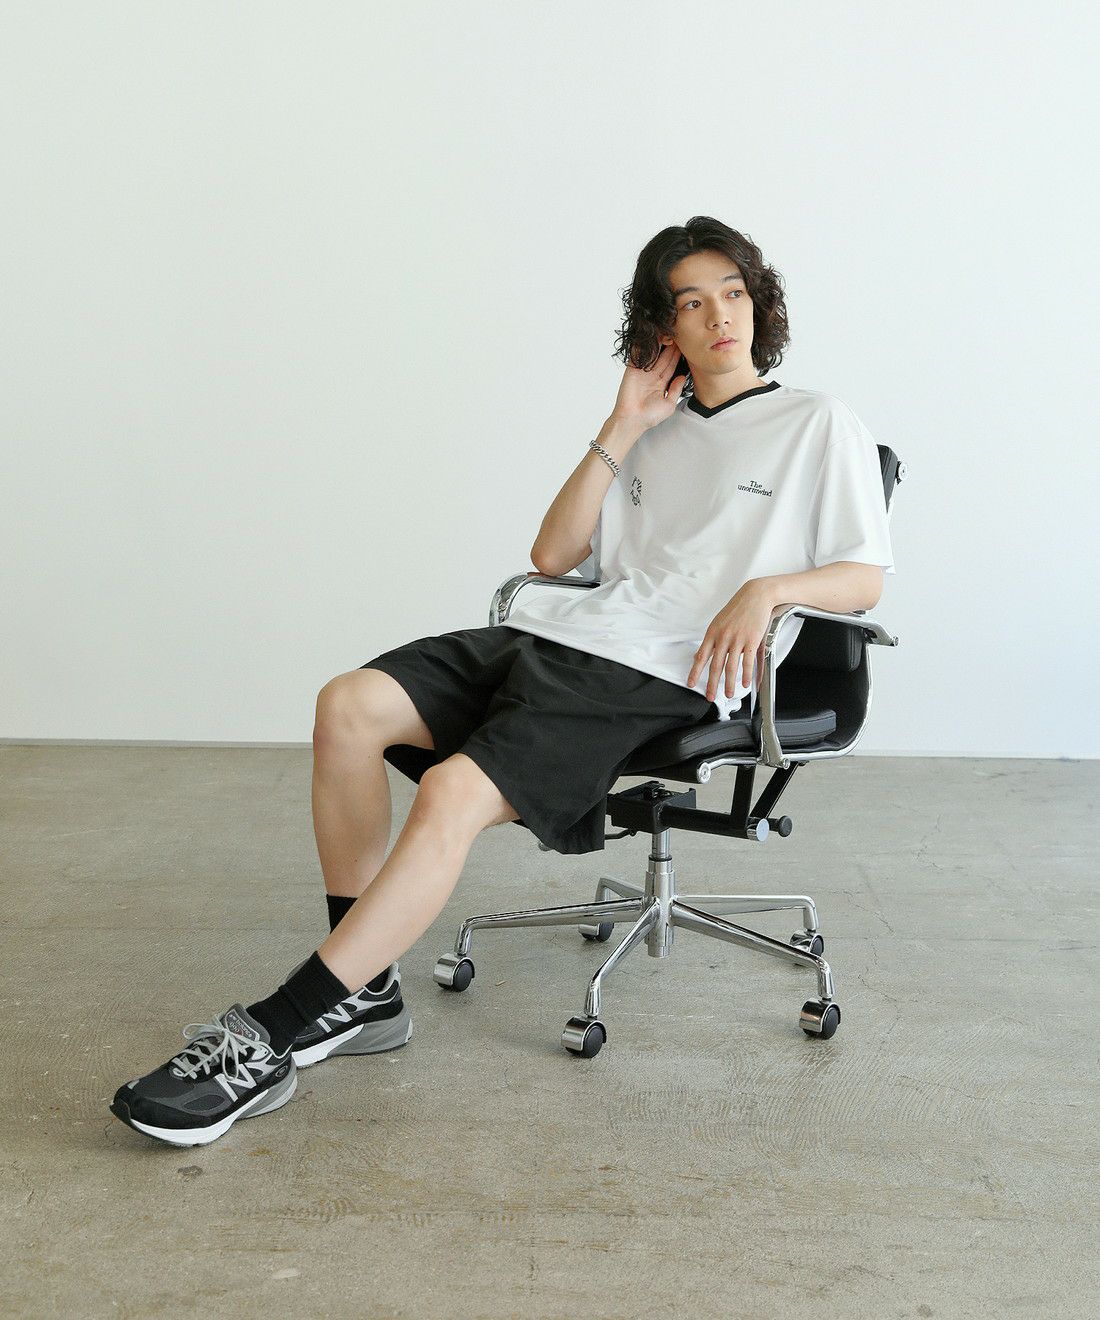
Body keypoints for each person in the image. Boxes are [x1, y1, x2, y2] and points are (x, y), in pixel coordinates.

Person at [110, 216, 894, 1146]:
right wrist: (622, 424)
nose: (720, 316)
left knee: (453, 791)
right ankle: (364, 993)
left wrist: (767, 590)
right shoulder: (651, 429)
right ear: (664, 329)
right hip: (562, 635)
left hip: (662, 670)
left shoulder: (818, 423)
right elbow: (552, 556)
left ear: (759, 302)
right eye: (691, 302)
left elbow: (863, 578)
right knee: (348, 706)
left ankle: (278, 1028)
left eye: (732, 292)